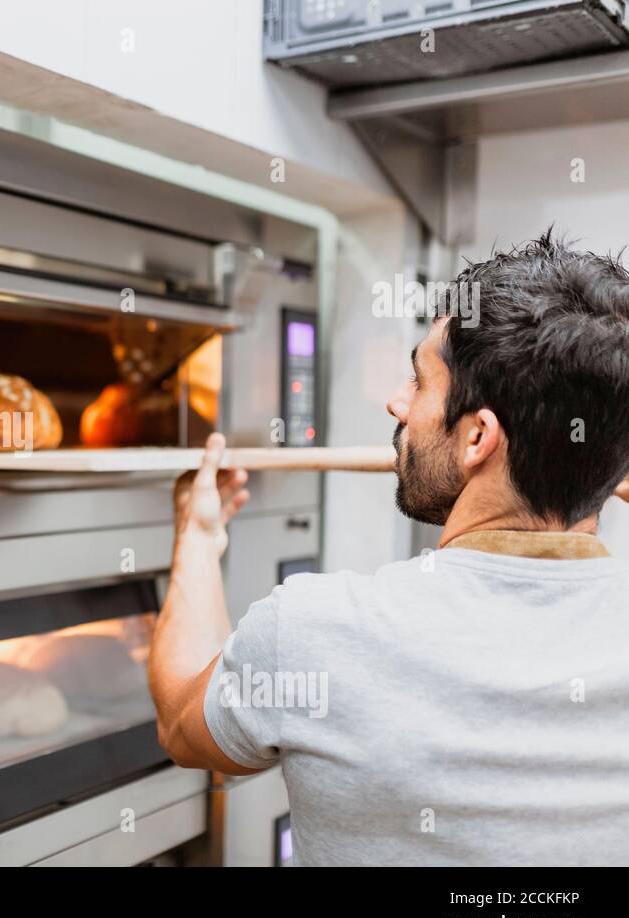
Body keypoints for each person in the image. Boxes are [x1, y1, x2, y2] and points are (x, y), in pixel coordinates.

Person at [149, 231, 629, 865]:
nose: (396, 403)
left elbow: (184, 724)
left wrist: (198, 540)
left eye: (420, 381)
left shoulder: (317, 630)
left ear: (478, 436)